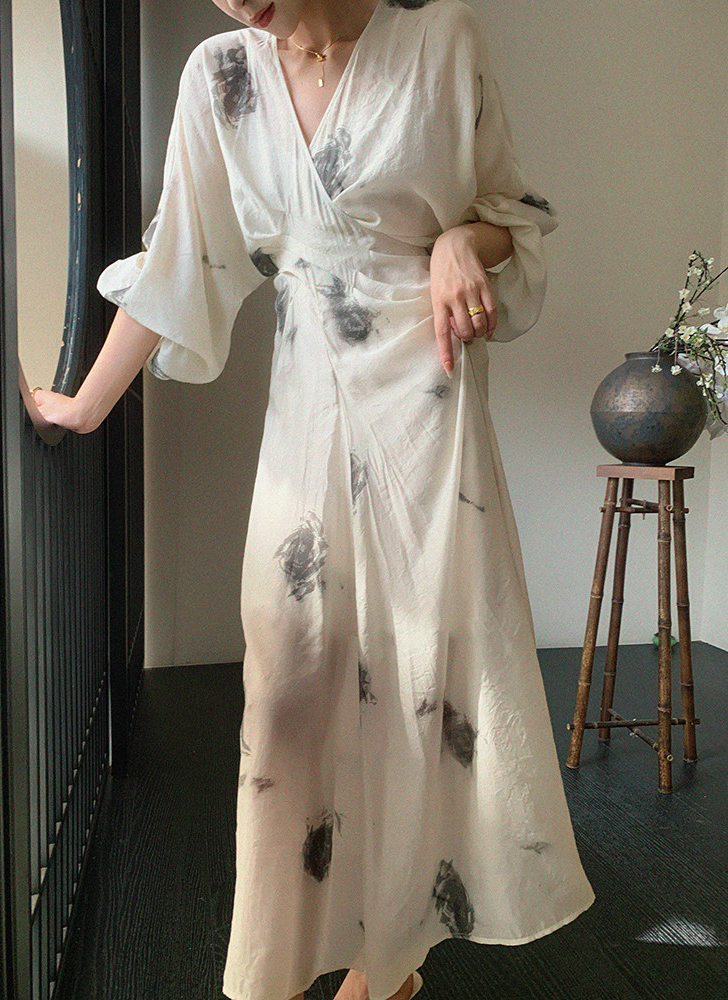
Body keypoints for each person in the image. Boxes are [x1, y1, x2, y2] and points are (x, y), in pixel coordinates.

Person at [33, 2, 596, 999]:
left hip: (426, 406)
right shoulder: (221, 76)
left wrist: (461, 239)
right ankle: (270, 972)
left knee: (415, 683)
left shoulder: (442, 42)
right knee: (287, 689)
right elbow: (177, 259)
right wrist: (84, 405)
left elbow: (512, 215)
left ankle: (388, 961)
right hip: (307, 406)